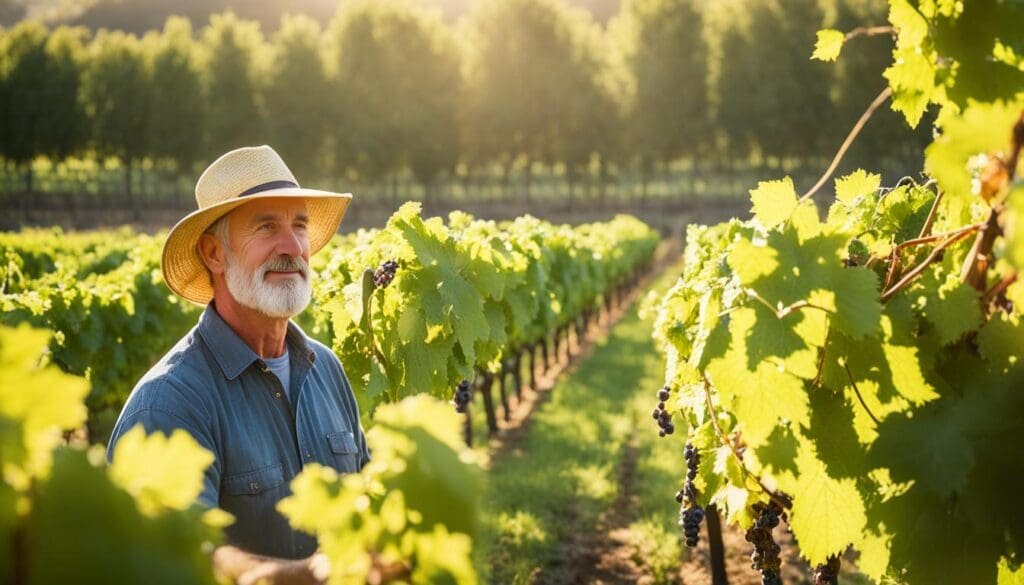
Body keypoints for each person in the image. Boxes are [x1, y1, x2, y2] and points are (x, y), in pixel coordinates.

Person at [105, 145, 369, 584]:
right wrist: (303, 576)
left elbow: (365, 495)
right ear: (213, 254)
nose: (292, 247)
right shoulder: (168, 405)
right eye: (266, 227)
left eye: (299, 226)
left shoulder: (326, 368)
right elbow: (182, 553)